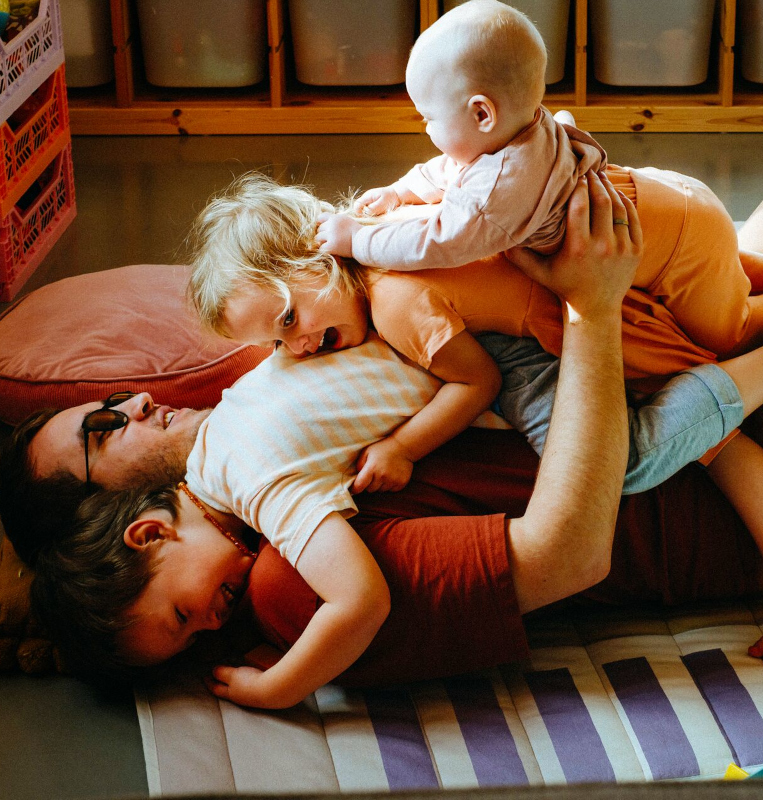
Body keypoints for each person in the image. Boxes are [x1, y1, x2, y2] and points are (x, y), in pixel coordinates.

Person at [31, 170, 638, 708]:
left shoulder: (258, 482)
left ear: (146, 530)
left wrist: (284, 685)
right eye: (197, 636)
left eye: (186, 616)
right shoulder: (234, 434)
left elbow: (359, 601)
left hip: (521, 338)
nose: (212, 624)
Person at [189, 169, 763, 665]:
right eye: (275, 345)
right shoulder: (387, 224)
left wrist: (403, 447)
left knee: (701, 413)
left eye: (289, 319)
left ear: (316, 250)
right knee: (725, 353)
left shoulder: (393, 299)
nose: (295, 352)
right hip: (650, 212)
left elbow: (476, 381)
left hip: (615, 262)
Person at [316, 0, 763, 360]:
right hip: (674, 207)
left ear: (482, 113)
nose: (425, 129)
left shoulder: (502, 192)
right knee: (723, 263)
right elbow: (450, 170)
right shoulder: (519, 134)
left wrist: (359, 238)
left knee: (728, 335)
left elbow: (439, 239)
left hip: (676, 244)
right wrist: (402, 190)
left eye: (429, 117)